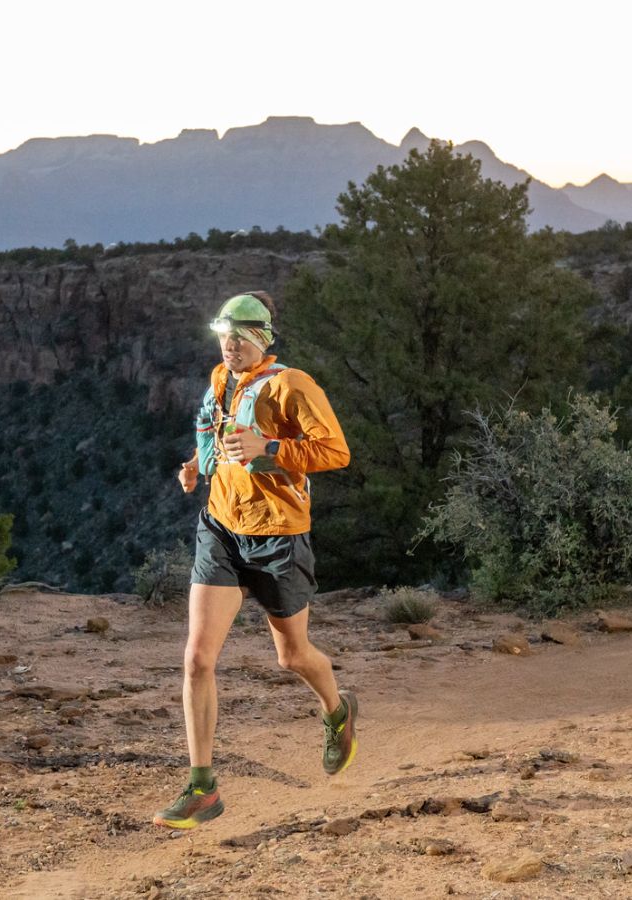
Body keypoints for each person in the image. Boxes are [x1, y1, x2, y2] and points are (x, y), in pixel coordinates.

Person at [152, 291, 356, 830]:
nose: (229, 345)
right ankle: (203, 788)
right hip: (221, 527)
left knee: (292, 657)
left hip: (278, 537)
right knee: (197, 658)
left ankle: (338, 712)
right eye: (222, 335)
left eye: (239, 337)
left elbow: (336, 451)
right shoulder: (222, 378)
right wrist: (197, 464)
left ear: (261, 339)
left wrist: (269, 448)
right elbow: (213, 424)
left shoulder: (293, 385)